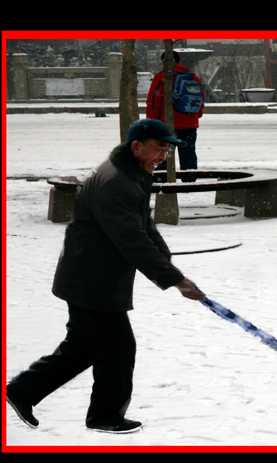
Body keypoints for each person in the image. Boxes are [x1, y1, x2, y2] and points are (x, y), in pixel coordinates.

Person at [5, 119, 206, 434]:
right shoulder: (116, 181)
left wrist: (164, 258)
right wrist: (174, 279)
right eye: (158, 148)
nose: (163, 155)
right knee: (117, 350)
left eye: (167, 149)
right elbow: (131, 239)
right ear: (137, 147)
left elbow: (143, 225)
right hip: (91, 281)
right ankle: (104, 416)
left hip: (93, 277)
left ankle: (22, 390)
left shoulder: (130, 174)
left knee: (84, 348)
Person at [146, 51, 205, 181]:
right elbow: (201, 98)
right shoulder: (192, 76)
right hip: (190, 124)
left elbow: (154, 102)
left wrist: (151, 123)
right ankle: (189, 181)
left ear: (164, 62)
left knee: (163, 154)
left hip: (167, 124)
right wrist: (194, 116)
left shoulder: (162, 77)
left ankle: (164, 181)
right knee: (188, 154)